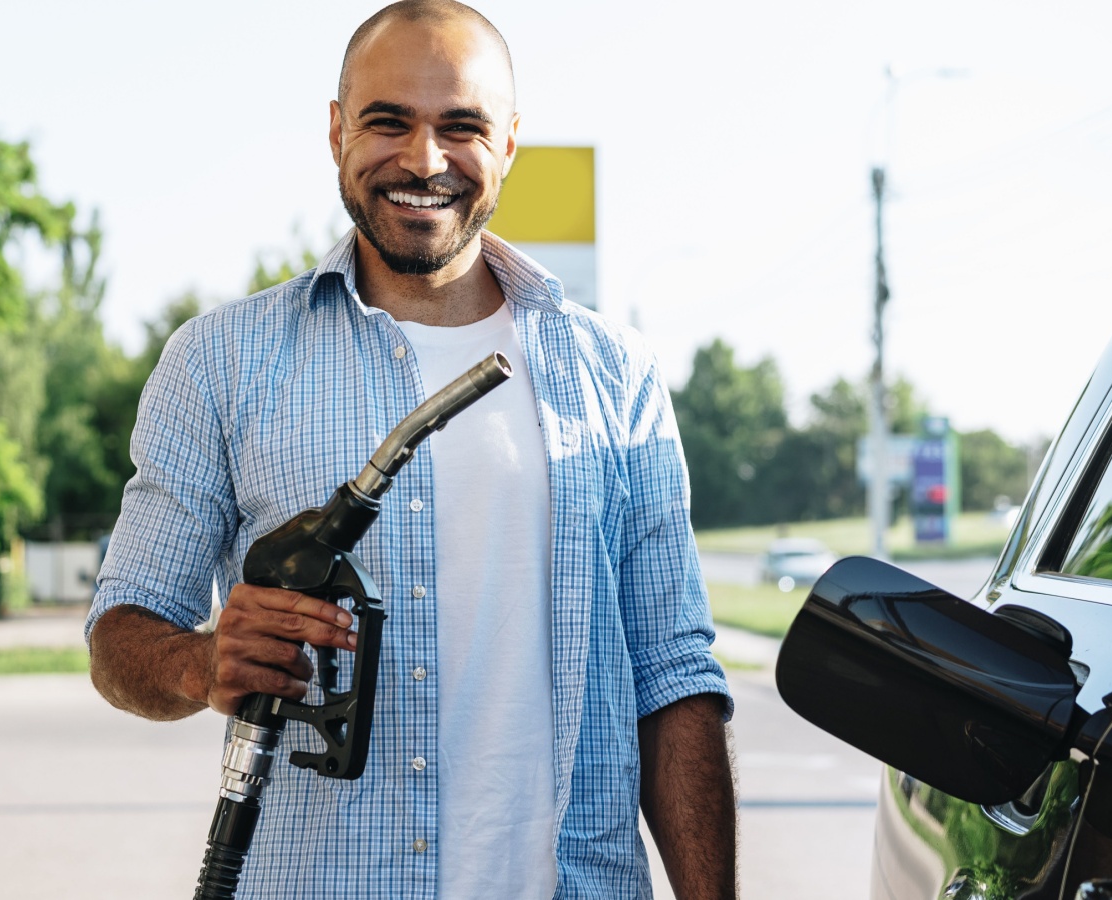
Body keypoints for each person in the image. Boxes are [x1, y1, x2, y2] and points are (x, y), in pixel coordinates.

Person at [87, 2, 736, 897]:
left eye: (460, 126)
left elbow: (675, 679)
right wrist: (203, 664)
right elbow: (120, 638)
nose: (423, 160)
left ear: (509, 143)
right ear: (336, 131)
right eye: (388, 120)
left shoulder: (614, 374)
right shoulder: (221, 362)